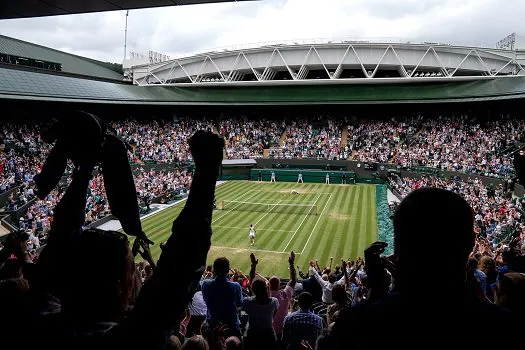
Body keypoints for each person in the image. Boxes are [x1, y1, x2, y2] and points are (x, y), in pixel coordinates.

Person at [319, 188, 515, 349]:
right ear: (472, 244)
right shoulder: (502, 329)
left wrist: (377, 290)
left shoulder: (354, 326)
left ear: (397, 247)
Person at [201, 257, 244, 339]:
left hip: (212, 326)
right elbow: (240, 304)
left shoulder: (205, 284)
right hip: (231, 328)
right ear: (228, 271)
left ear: (214, 270)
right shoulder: (235, 286)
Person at [242, 279, 279, 350]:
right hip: (269, 335)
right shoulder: (274, 301)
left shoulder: (247, 301)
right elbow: (274, 314)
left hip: (252, 335)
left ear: (253, 289)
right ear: (266, 288)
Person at [268, 251, 297, 340]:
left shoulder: (264, 297)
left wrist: (253, 266)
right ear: (280, 285)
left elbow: (253, 284)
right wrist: (291, 264)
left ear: (268, 285)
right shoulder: (285, 294)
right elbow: (293, 280)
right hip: (283, 331)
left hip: (269, 332)